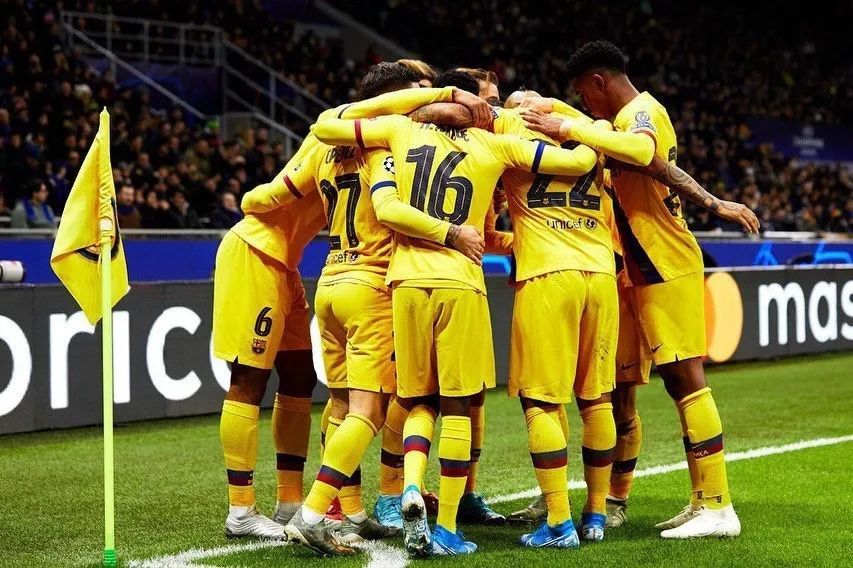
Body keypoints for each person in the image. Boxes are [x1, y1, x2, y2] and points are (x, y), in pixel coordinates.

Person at [213, 63, 491, 543]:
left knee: (302, 380)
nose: (426, 97)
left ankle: (303, 503)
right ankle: (246, 510)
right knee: (258, 382)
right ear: (391, 98)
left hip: (313, 270)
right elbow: (262, 202)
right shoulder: (361, 135)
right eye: (418, 89)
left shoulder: (343, 139)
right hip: (260, 252)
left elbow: (272, 193)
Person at [311, 101, 599, 556]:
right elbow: (580, 160)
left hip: (405, 282)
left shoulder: (399, 131)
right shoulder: (495, 145)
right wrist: (577, 122)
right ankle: (446, 526)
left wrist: (421, 101)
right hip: (461, 283)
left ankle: (408, 487)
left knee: (416, 400)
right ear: (475, 114)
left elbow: (326, 126)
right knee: (459, 407)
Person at [521, 40, 755, 538]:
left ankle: (719, 506)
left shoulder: (641, 113)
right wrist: (715, 203)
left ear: (599, 82)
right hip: (640, 268)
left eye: (584, 94)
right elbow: (661, 168)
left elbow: (644, 151)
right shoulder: (620, 123)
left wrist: (567, 126)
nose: (585, 105)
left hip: (666, 261)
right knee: (662, 385)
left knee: (687, 378)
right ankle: (700, 500)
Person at [438, 72, 619, 546]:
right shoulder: (590, 135)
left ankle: (559, 521)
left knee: (542, 401)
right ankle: (596, 515)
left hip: (547, 276)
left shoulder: (507, 130)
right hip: (600, 275)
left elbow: (458, 128)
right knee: (596, 399)